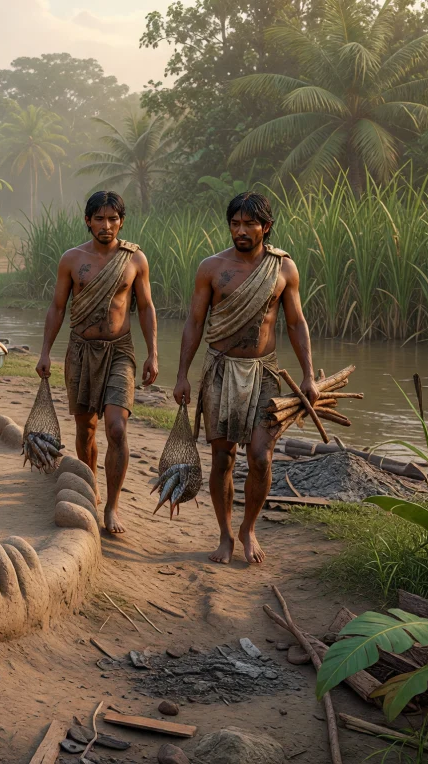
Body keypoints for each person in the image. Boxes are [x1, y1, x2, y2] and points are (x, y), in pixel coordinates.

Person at [173, 192, 317, 564]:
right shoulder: (211, 268)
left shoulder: (283, 269)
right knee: (222, 458)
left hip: (264, 371)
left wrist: (308, 377)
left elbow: (297, 323)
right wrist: (182, 375)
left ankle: (248, 529)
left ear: (265, 227)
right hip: (220, 368)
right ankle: (224, 535)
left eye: (248, 224)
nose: (240, 230)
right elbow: (194, 322)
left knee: (261, 457)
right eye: (234, 223)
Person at [37, 191, 159, 535]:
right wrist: (45, 351)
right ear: (88, 221)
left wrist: (153, 352)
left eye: (113, 219)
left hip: (120, 351)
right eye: (99, 219)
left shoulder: (135, 259)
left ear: (122, 221)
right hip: (79, 351)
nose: (106, 226)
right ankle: (90, 490)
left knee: (117, 428)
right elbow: (57, 308)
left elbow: (146, 307)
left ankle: (112, 506)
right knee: (86, 429)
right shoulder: (72, 260)